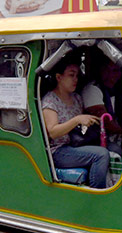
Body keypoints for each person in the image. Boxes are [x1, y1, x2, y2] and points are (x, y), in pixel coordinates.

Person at [41, 56, 110, 188]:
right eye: (71, 75)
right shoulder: (50, 101)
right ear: (59, 77)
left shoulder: (77, 98)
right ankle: (96, 195)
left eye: (77, 76)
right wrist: (77, 120)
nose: (75, 80)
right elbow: (53, 132)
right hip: (58, 151)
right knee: (101, 155)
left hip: (76, 144)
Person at [81, 56, 122, 156]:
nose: (116, 75)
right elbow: (106, 123)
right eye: (112, 70)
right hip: (96, 138)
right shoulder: (92, 89)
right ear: (102, 71)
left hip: (115, 136)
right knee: (118, 151)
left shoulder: (116, 90)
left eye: (117, 71)